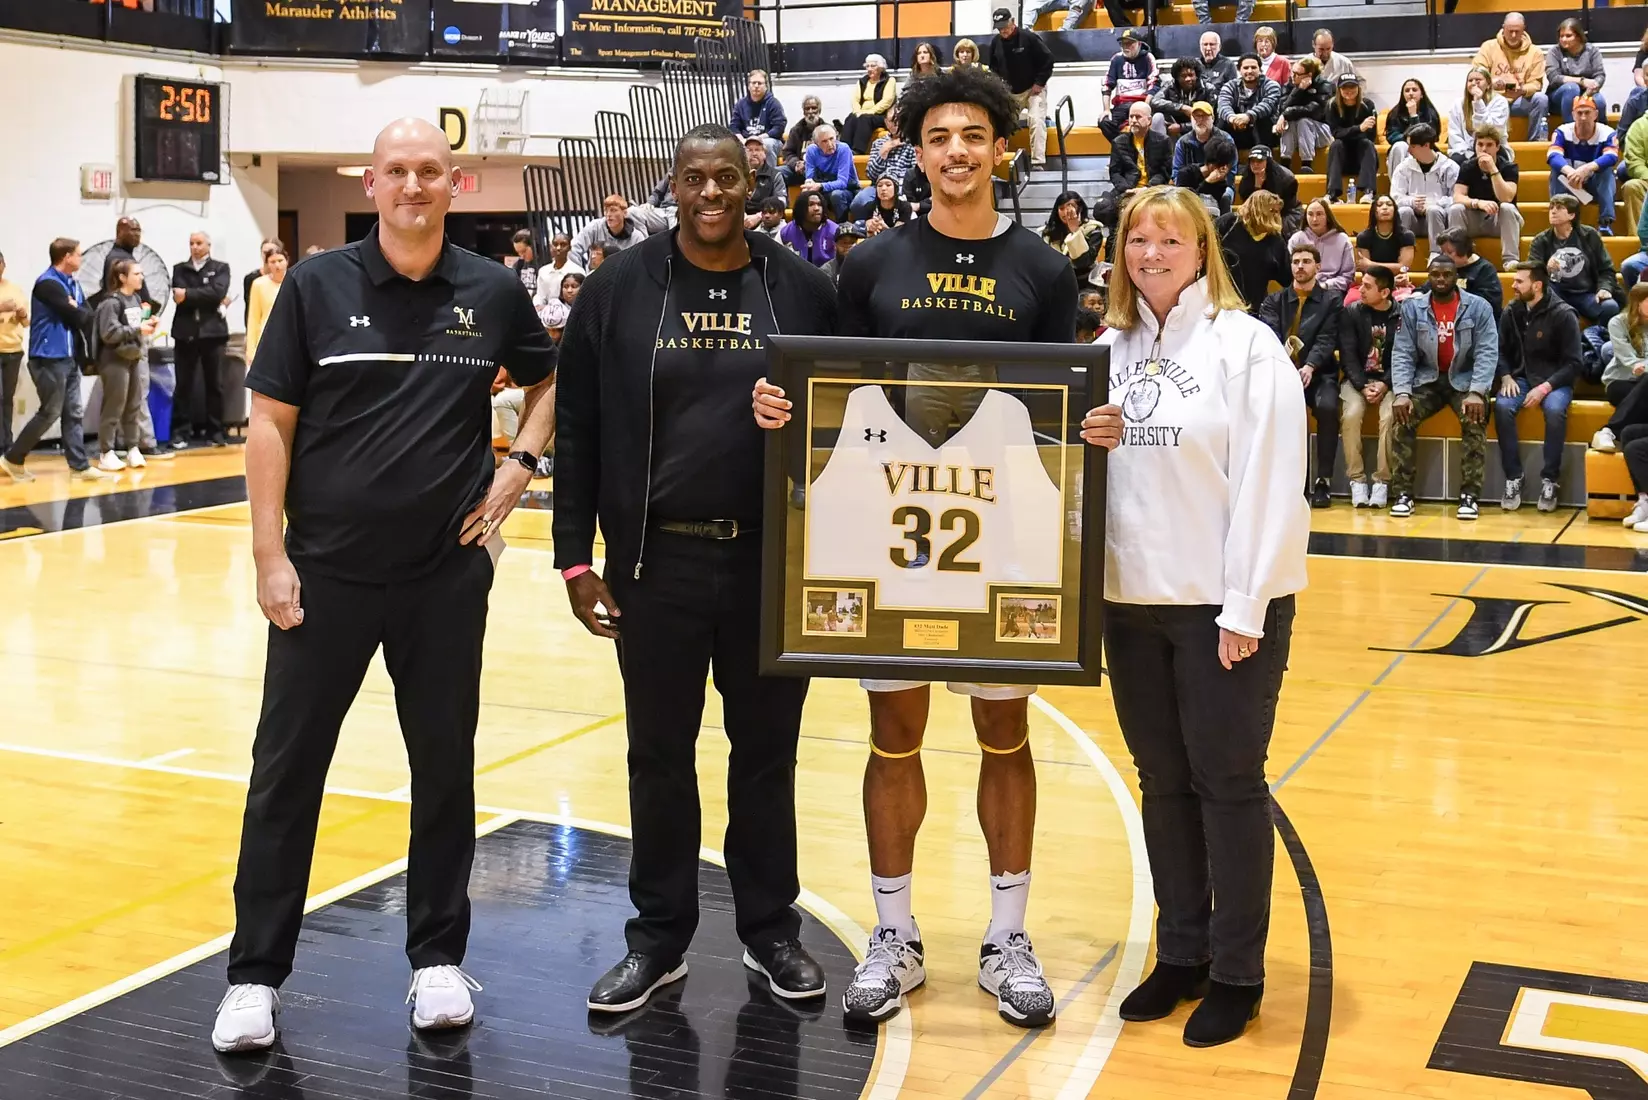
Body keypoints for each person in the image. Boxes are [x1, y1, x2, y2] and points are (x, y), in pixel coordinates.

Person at [210, 118, 556, 1054]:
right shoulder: (315, 285)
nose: (412, 185)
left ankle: (437, 959)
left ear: (456, 184)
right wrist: (269, 554)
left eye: (430, 171)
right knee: (285, 775)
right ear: (370, 182)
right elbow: (270, 424)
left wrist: (518, 467)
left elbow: (548, 382)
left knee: (443, 768)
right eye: (396, 170)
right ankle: (254, 976)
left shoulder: (490, 290)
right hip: (323, 575)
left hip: (444, 576)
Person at [753, 63, 1077, 1032]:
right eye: (938, 137)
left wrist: (1088, 436)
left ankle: (1007, 937)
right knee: (892, 736)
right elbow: (840, 398)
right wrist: (784, 410)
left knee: (1004, 738)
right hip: (894, 540)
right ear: (916, 152)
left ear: (1000, 148)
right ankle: (893, 936)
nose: (956, 152)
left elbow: (1059, 415)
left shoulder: (1044, 270)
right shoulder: (869, 265)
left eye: (973, 135)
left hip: (1002, 538)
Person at [556, 121, 836, 1016]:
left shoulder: (802, 288)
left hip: (768, 564)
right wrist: (574, 560)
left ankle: (770, 931)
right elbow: (579, 426)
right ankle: (658, 940)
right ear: (671, 188)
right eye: (694, 179)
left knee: (766, 757)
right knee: (659, 758)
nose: (711, 193)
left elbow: (850, 418)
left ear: (752, 186)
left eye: (727, 178)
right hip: (656, 563)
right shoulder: (618, 289)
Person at [1085, 184, 1308, 1049]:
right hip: (1129, 606)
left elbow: (1271, 483)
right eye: (1137, 240)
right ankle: (1180, 952)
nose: (1151, 254)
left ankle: (1238, 973)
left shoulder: (1247, 347)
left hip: (1221, 608)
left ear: (1203, 251)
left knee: (1228, 784)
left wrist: (1246, 604)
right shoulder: (1106, 349)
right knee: (1163, 783)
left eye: (1170, 240)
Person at [1388, 256, 1498, 520]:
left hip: (1464, 381)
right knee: (1402, 417)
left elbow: (1487, 351)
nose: (1440, 279)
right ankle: (1403, 494)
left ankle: (1470, 496)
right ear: (1428, 276)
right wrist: (1402, 392)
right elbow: (1402, 352)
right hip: (1427, 379)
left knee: (1475, 418)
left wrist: (1477, 391)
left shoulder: (1479, 307)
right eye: (1435, 274)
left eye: (1446, 274)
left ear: (1456, 276)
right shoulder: (1412, 308)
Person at [1, 239, 108, 483]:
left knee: (73, 412)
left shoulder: (73, 284)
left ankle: (79, 466)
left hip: (69, 357)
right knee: (50, 411)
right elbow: (76, 315)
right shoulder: (47, 284)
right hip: (48, 358)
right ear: (66, 257)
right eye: (78, 255)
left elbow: (87, 315)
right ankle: (13, 458)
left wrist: (76, 308)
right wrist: (75, 308)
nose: (81, 259)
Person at [1494, 261, 1581, 512]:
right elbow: (1499, 350)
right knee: (1502, 407)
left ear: (1537, 285)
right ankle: (1514, 477)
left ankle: (1550, 479)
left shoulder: (1564, 314)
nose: (1513, 285)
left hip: (1555, 380)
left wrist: (1545, 387)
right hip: (1520, 378)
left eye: (1519, 281)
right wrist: (1506, 375)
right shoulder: (1512, 311)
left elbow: (1575, 363)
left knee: (1554, 411)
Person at [1259, 243, 1342, 506]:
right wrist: (1286, 368)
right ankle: (1294, 481)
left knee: (1328, 408)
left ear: (1318, 266)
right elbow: (1270, 337)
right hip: (1282, 372)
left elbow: (1327, 338)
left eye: (1306, 261)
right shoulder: (1274, 300)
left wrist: (1310, 366)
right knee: (1281, 413)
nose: (1300, 267)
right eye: (1295, 262)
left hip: (1319, 373)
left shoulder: (1331, 301)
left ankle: (1323, 480)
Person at [1338, 267, 1401, 507]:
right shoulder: (1351, 312)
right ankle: (1357, 480)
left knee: (1389, 416)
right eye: (1360, 284)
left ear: (1384, 292)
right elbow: (1348, 356)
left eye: (1367, 286)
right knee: (1351, 414)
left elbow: (1404, 356)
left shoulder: (1402, 315)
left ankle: (1382, 481)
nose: (1360, 290)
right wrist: (1363, 386)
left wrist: (1385, 384)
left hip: (1390, 381)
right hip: (1357, 380)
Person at [93, 258, 160, 472]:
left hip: (133, 357)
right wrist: (138, 329)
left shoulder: (136, 299)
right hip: (114, 359)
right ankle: (106, 452)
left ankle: (133, 447)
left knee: (134, 405)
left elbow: (135, 326)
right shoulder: (111, 302)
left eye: (141, 273)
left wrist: (148, 325)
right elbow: (109, 333)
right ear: (122, 277)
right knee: (114, 406)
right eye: (136, 274)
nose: (141, 277)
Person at [170, 231, 233, 449]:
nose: (195, 247)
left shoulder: (221, 268)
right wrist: (203, 295)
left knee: (214, 384)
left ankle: (215, 431)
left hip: (213, 334)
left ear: (208, 245)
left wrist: (188, 294)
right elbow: (178, 296)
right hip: (185, 334)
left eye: (199, 243)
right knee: (183, 385)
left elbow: (217, 293)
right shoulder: (180, 269)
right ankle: (180, 432)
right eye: (191, 243)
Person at [1529, 194, 1621, 329]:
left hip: (1586, 293)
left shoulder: (1589, 235)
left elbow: (1606, 269)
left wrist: (1604, 288)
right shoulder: (1540, 241)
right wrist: (1545, 269)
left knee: (1610, 307)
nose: (1553, 211)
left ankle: (1595, 337)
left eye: (1559, 208)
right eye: (1551, 207)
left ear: (1572, 215)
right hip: (1555, 294)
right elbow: (1532, 275)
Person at [1450, 125, 1524, 269]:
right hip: (1475, 218)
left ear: (1497, 147)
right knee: (1456, 209)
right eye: (1480, 144)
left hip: (1501, 220)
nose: (1484, 149)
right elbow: (1458, 196)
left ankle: (1510, 260)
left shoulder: (1509, 167)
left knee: (1507, 207)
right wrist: (1478, 203)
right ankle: (1458, 259)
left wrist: (1493, 169)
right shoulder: (1467, 166)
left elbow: (1506, 197)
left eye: (1489, 145)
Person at [987, 9, 1054, 169]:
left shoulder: (1029, 38)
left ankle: (1038, 162)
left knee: (1036, 120)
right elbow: (993, 69)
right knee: (1001, 123)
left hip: (1033, 89)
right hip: (1009, 93)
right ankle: (1001, 161)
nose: (1003, 30)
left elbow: (1048, 60)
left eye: (1005, 26)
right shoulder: (995, 43)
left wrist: (1040, 82)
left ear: (1013, 21)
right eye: (999, 28)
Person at [1473, 12, 1549, 142]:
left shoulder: (1535, 52)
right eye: (1510, 31)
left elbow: (1536, 84)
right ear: (1503, 28)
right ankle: (1483, 143)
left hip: (1519, 100)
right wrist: (1491, 82)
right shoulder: (1488, 47)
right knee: (1474, 99)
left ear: (1523, 30)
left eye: (1517, 32)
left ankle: (1535, 142)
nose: (1513, 35)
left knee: (1541, 99)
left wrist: (1523, 90)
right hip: (1493, 99)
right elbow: (1476, 74)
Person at [1548, 96, 1618, 234]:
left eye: (1587, 112)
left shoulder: (1607, 133)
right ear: (1573, 115)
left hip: (1595, 186)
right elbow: (1553, 155)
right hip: (1571, 184)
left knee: (1606, 171)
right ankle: (1560, 221)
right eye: (1579, 113)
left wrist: (1586, 169)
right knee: (1556, 172)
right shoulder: (1562, 131)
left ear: (1596, 114)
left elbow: (1612, 156)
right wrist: (1570, 172)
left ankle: (1605, 222)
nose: (1583, 117)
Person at [1390, 125, 1458, 259]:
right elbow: (1395, 197)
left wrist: (1434, 203)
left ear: (1426, 145)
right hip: (1414, 219)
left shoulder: (1449, 167)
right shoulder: (1403, 168)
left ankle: (1437, 255)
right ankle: (1399, 253)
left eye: (1412, 146)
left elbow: (1456, 197)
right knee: (1404, 211)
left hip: (1440, 221)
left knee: (1433, 210)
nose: (1408, 150)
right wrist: (1412, 202)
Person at [1220, 189, 1289, 311]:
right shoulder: (1230, 223)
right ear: (1257, 208)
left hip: (1254, 309)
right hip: (1221, 302)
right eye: (1271, 211)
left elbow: (1287, 278)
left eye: (1277, 212)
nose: (1276, 216)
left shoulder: (1276, 240)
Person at [1324, 75, 1376, 203]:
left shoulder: (1368, 105)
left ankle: (1368, 192)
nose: (1349, 90)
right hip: (1341, 158)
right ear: (1339, 89)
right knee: (1336, 145)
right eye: (1345, 87)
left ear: (1358, 88)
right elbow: (1336, 133)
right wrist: (1359, 128)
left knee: (1367, 143)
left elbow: (1371, 135)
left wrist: (1348, 133)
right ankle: (1332, 194)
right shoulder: (1332, 106)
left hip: (1362, 158)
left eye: (1352, 86)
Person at [1274, 57, 1331, 170]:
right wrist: (1299, 90)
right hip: (1297, 132)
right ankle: (1285, 162)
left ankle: (1306, 164)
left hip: (1321, 131)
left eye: (1297, 74)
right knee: (1288, 122)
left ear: (1309, 75)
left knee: (1304, 121)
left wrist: (1286, 114)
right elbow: (1283, 107)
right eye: (1292, 72)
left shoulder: (1324, 86)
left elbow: (1314, 111)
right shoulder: (1290, 85)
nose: (1292, 76)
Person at [1435, 228, 1505, 321]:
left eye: (1449, 252)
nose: (1444, 256)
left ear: (1463, 250)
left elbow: (1490, 303)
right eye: (1442, 252)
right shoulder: (1444, 267)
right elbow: (1427, 288)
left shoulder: (1485, 269)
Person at [1546, 18, 1606, 125]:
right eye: (1561, 36)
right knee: (1571, 88)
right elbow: (1554, 78)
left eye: (1568, 36)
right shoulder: (1554, 52)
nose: (1564, 39)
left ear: (1579, 36)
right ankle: (1571, 130)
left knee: (1599, 101)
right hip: (1559, 96)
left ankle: (1601, 133)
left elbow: (1600, 75)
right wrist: (1581, 81)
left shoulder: (1592, 51)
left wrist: (1593, 86)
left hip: (1587, 92)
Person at [1101, 30, 1158, 142]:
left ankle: (1126, 145)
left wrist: (1145, 106)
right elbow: (1107, 84)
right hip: (1121, 105)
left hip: (1140, 103)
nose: (1126, 47)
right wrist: (1106, 109)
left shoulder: (1148, 57)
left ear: (1139, 44)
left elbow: (1154, 83)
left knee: (1142, 123)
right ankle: (1125, 145)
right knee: (1104, 122)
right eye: (1123, 44)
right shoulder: (1116, 59)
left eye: (1129, 43)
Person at [1289, 198, 1353, 296]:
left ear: (1327, 216)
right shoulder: (1296, 239)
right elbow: (1290, 271)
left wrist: (1326, 285)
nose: (1314, 219)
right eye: (1310, 214)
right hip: (1302, 287)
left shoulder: (1342, 239)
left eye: (1319, 214)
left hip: (1332, 290)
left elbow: (1347, 276)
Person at [798, 123, 858, 222]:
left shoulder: (843, 149)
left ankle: (842, 225)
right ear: (816, 143)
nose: (830, 144)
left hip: (847, 190)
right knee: (805, 196)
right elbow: (809, 177)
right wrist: (808, 186)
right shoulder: (811, 150)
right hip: (824, 189)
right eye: (824, 141)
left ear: (837, 137)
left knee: (836, 195)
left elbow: (842, 182)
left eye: (831, 139)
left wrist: (820, 186)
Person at [1042, 190, 1107, 283]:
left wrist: (1075, 232)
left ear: (1080, 208)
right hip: (1055, 282)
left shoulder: (1093, 229)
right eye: (1061, 208)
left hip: (1083, 283)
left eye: (1070, 207)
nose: (1066, 212)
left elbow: (1084, 262)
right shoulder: (1049, 232)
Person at [1449, 68, 1509, 166]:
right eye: (1470, 80)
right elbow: (1455, 134)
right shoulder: (1458, 104)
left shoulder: (1500, 102)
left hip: (1492, 147)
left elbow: (1489, 131)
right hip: (1467, 150)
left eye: (1478, 80)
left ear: (1488, 84)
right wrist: (1465, 153)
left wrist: (1478, 102)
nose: (1474, 83)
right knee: (1456, 160)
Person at [1111, 101, 1174, 194]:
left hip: (1154, 189)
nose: (1133, 120)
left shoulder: (1163, 141)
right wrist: (1126, 189)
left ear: (1149, 120)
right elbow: (1115, 173)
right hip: (1127, 189)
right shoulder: (1118, 142)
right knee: (1104, 202)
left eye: (1138, 117)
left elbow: (1164, 172)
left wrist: (1147, 188)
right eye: (1131, 116)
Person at [1237, 146, 1300, 237]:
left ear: (1268, 162)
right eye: (1252, 161)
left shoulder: (1286, 179)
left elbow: (1283, 205)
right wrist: (1257, 187)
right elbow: (1247, 203)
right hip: (1258, 213)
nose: (1255, 164)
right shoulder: (1247, 176)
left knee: (1283, 226)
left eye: (1259, 161)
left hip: (1285, 212)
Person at [571, 194, 648, 269]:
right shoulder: (594, 227)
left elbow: (642, 263)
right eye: (606, 210)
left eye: (613, 210)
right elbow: (574, 248)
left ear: (624, 213)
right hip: (596, 274)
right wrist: (578, 273)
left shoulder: (637, 237)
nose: (608, 214)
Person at [1384, 78, 1441, 178]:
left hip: (1425, 149)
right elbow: (1392, 137)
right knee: (1400, 146)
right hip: (1402, 151)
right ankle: (1397, 185)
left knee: (1419, 148)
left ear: (1421, 94)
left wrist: (1414, 116)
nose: (1410, 93)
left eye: (1414, 90)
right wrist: (1409, 140)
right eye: (1407, 90)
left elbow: (1430, 137)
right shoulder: (1394, 113)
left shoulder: (1430, 114)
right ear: (1403, 95)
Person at [0, 252, 28, 456]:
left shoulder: (14, 289)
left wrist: (22, 314)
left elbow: (26, 322)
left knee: (7, 399)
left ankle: (7, 443)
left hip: (13, 350)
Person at [843, 54, 899, 154]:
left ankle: (858, 150)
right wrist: (857, 112)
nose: (869, 69)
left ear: (881, 67)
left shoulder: (889, 80)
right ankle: (843, 149)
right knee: (851, 118)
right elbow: (855, 100)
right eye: (867, 66)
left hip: (880, 115)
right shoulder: (862, 81)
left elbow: (887, 100)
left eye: (873, 66)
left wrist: (870, 112)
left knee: (865, 119)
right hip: (862, 114)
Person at [730, 68, 787, 164]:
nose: (756, 86)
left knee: (767, 145)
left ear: (766, 86)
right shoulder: (740, 104)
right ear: (749, 86)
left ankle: (770, 173)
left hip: (768, 140)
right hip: (746, 140)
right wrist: (742, 140)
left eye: (759, 83)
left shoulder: (773, 103)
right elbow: (734, 126)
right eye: (753, 83)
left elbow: (779, 127)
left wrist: (759, 139)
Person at [244, 247, 287, 370]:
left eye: (280, 260)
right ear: (267, 264)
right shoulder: (259, 284)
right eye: (272, 262)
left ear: (287, 261)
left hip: (289, 339)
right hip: (266, 340)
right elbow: (253, 317)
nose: (277, 265)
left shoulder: (294, 281)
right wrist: (251, 350)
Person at [1355, 196, 1415, 286]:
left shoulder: (1407, 235)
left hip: (1400, 282)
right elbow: (1365, 269)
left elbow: (1404, 268)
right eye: (1379, 205)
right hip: (1372, 284)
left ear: (1395, 210)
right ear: (1374, 211)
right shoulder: (1363, 237)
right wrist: (1394, 271)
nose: (1385, 207)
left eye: (1389, 204)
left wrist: (1371, 264)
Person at [1152, 58, 1210, 140]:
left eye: (1191, 75)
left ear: (1197, 75)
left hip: (1199, 130)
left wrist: (1182, 127)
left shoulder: (1208, 89)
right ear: (1177, 77)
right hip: (1173, 129)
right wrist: (1182, 107)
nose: (1188, 79)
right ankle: (1159, 147)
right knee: (1158, 117)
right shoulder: (1170, 86)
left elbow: (1211, 119)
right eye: (1183, 76)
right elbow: (1154, 102)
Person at [781, 191, 837, 266]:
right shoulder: (786, 232)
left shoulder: (834, 231)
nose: (816, 208)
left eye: (819, 204)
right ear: (800, 209)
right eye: (811, 204)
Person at [532, 232, 584, 313]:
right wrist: (539, 306)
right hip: (545, 313)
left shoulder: (577, 271)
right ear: (550, 246)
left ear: (569, 248)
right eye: (555, 244)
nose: (558, 248)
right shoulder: (543, 271)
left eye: (563, 245)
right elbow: (540, 296)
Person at [780, 95, 825, 182]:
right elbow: (787, 152)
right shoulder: (796, 130)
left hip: (821, 170)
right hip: (800, 169)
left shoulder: (827, 130)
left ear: (819, 110)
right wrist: (796, 163)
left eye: (814, 108)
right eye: (807, 109)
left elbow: (833, 152)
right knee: (776, 173)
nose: (810, 112)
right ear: (804, 112)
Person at [744, 134, 787, 223]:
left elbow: (781, 202)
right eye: (750, 150)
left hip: (766, 220)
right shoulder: (738, 175)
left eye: (757, 150)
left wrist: (759, 216)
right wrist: (743, 216)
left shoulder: (775, 175)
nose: (754, 153)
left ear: (765, 153)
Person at [508, 229, 538, 295]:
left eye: (524, 251)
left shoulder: (544, 263)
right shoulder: (518, 265)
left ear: (534, 246)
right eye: (518, 253)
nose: (522, 256)